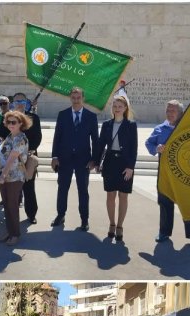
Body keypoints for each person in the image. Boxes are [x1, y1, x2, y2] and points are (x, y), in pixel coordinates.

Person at [145, 99, 190, 250]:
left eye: (173, 111)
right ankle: (164, 232)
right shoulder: (160, 128)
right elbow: (149, 143)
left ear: (180, 113)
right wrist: (156, 148)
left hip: (185, 175)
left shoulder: (188, 129)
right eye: (168, 110)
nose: (170, 113)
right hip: (165, 174)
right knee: (165, 203)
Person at [50, 86, 99, 231]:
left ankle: (84, 219)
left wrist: (94, 160)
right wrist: (54, 156)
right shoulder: (62, 115)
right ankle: (60, 215)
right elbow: (57, 137)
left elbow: (95, 140)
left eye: (78, 97)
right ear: (70, 98)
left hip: (83, 160)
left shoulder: (91, 116)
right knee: (62, 188)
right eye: (73, 97)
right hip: (64, 159)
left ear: (83, 98)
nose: (76, 100)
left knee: (83, 190)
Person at [93, 95, 138, 242]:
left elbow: (133, 148)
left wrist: (130, 167)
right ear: (112, 108)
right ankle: (112, 224)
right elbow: (100, 145)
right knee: (110, 195)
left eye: (120, 106)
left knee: (123, 195)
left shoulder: (131, 125)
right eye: (115, 106)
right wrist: (96, 162)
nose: (117, 109)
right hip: (110, 162)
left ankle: (120, 226)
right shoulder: (107, 124)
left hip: (125, 164)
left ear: (125, 108)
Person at [0, 110, 30, 245]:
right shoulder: (10, 136)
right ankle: (10, 231)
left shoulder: (21, 138)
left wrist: (3, 174)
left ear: (21, 123)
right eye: (8, 122)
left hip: (14, 176)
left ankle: (15, 234)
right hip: (4, 176)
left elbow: (12, 158)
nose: (10, 124)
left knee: (12, 205)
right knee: (7, 204)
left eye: (13, 122)